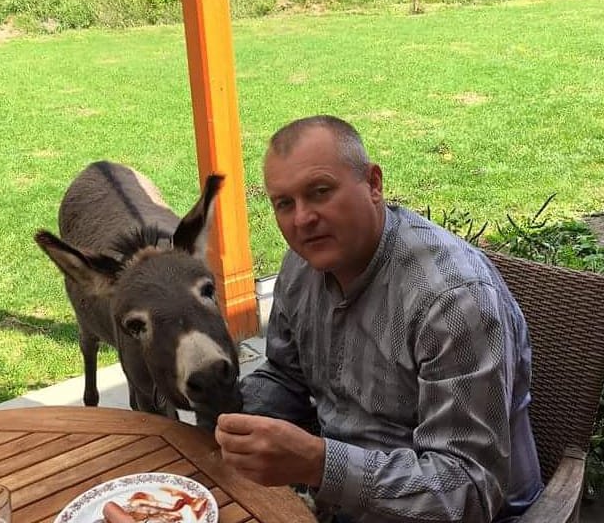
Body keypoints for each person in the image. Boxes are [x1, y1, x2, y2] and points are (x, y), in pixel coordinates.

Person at [215, 115, 544, 523]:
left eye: (320, 192)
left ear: (373, 184)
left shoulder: (453, 300)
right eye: (285, 203)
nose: (301, 219)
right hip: (343, 502)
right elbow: (287, 376)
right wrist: (222, 416)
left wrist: (319, 464)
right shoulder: (303, 268)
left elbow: (468, 492)